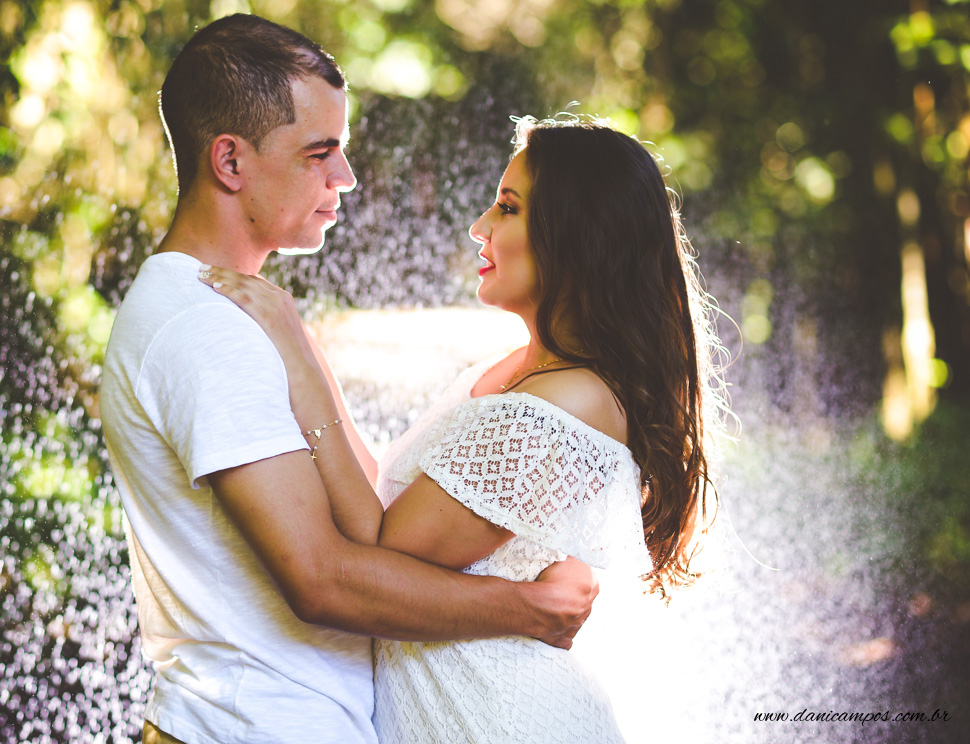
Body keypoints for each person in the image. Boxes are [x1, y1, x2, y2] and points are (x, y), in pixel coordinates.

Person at [99, 15, 599, 744]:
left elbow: (362, 521)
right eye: (319, 152)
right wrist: (527, 609)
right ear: (230, 163)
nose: (347, 177)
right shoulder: (202, 328)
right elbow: (321, 577)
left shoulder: (226, 312)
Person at [203, 115, 728, 743]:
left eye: (507, 208)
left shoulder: (567, 404)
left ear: (579, 236)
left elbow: (379, 547)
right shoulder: (518, 371)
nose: (480, 227)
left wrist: (300, 369)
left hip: (497, 721)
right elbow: (391, 505)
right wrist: (307, 353)